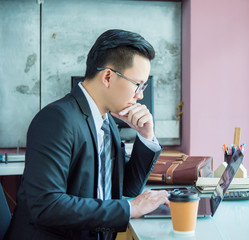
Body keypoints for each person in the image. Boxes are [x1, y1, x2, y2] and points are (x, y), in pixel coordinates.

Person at [5, 29, 169, 240]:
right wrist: (129, 209)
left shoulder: (106, 120)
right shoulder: (57, 119)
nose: (141, 95)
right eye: (138, 84)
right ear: (108, 76)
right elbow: (47, 205)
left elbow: (128, 186)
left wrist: (146, 136)